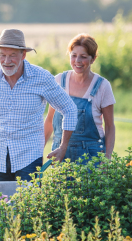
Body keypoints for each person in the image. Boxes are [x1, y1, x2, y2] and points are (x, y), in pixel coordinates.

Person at [0, 29, 78, 182]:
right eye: (2, 55)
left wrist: (63, 147)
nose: (6, 61)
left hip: (29, 156)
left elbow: (69, 108)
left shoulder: (41, 78)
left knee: (29, 204)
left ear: (23, 55)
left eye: (12, 55)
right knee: (1, 203)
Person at [44, 34, 116, 163]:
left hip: (91, 154)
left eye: (83, 57)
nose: (77, 61)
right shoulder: (59, 81)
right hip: (60, 153)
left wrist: (107, 158)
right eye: (73, 55)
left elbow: (110, 126)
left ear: (93, 59)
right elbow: (49, 120)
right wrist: (38, 152)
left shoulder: (102, 86)